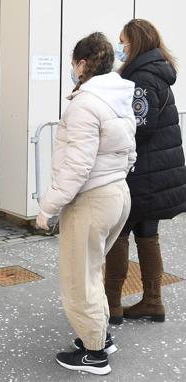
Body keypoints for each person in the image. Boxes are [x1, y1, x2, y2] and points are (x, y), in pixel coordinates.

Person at [36, 32, 137, 375]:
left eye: (73, 63)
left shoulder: (85, 104)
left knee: (80, 277)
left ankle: (95, 354)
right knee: (92, 270)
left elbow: (76, 166)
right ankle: (99, 336)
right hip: (117, 193)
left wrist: (47, 207)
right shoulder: (119, 97)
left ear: (81, 64)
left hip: (91, 199)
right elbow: (129, 151)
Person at [105, 19, 186, 324]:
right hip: (156, 173)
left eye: (123, 41)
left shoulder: (141, 77)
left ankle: (111, 305)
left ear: (135, 42)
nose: (120, 47)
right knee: (148, 235)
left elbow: (141, 125)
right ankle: (153, 301)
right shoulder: (158, 72)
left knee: (119, 235)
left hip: (141, 174)